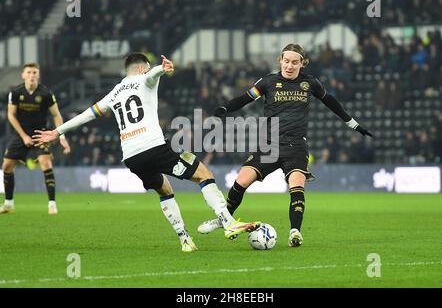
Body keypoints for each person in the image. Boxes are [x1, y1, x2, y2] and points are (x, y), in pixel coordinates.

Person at [32, 53, 260, 252]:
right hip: (154, 147)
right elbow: (152, 77)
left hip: (131, 157)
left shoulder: (114, 92)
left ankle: (185, 240)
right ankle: (228, 222)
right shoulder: (145, 79)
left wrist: (57, 131)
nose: (149, 72)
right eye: (148, 68)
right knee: (204, 174)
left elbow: (87, 115)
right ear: (141, 68)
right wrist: (162, 69)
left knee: (164, 191)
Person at [197, 44, 372, 247]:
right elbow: (245, 98)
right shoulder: (269, 82)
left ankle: (295, 232)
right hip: (269, 145)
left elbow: (332, 102)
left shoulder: (310, 84)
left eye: (294, 62)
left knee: (297, 185)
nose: (290, 66)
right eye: (286, 61)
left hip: (296, 146)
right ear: (280, 60)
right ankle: (226, 221)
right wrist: (225, 108)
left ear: (302, 64)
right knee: (241, 180)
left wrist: (354, 124)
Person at [1, 63, 71, 215]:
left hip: (40, 133)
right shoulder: (16, 92)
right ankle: (8, 203)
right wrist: (24, 136)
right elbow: (11, 116)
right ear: (23, 75)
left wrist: (61, 136)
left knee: (46, 163)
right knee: (6, 166)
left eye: (34, 72)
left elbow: (56, 115)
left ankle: (52, 204)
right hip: (20, 134)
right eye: (29, 72)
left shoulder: (46, 94)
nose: (32, 75)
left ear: (38, 75)